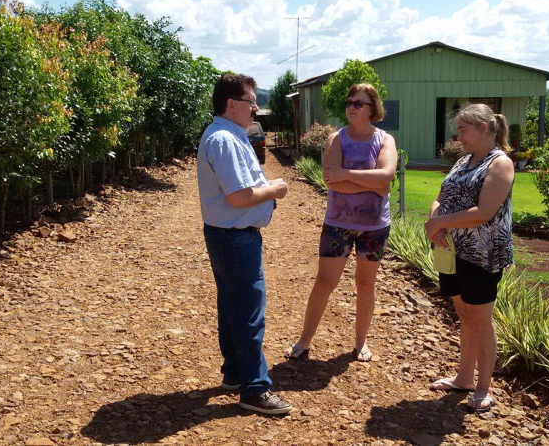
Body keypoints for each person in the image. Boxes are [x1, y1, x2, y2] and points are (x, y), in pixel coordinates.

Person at [197, 73, 292, 415]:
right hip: (235, 237)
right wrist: (275, 189)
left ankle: (235, 373)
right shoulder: (224, 140)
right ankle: (254, 389)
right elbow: (238, 197)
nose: (255, 108)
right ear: (231, 104)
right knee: (249, 312)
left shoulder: (226, 135)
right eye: (251, 101)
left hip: (229, 236)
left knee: (232, 305)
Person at [285, 83, 396, 362]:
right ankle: (304, 340)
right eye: (349, 102)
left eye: (358, 103)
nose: (351, 107)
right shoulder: (336, 138)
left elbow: (386, 175)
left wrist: (347, 174)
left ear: (372, 108)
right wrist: (374, 184)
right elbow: (332, 182)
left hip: (374, 226)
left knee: (366, 283)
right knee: (325, 282)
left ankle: (360, 343)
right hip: (338, 224)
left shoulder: (385, 140)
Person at [423, 104, 514, 413]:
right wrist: (435, 221)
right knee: (464, 314)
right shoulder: (463, 161)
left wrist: (438, 223)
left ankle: (484, 387)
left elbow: (484, 213)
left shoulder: (500, 164)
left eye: (463, 130)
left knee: (480, 319)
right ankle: (464, 378)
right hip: (452, 251)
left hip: (481, 255)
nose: (458, 136)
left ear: (483, 129)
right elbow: (441, 197)